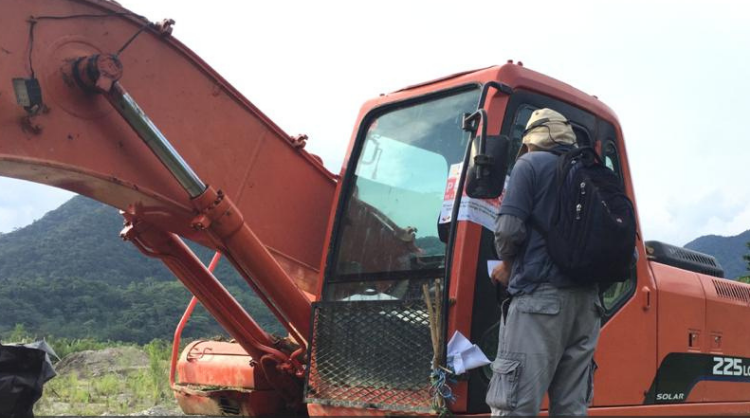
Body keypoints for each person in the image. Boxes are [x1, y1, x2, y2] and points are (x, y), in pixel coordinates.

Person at [486, 108, 602, 416]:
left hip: (540, 301)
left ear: (531, 141)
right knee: (571, 409)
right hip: (587, 307)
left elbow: (508, 230)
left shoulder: (530, 164)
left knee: (514, 407)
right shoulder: (593, 173)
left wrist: (508, 266)